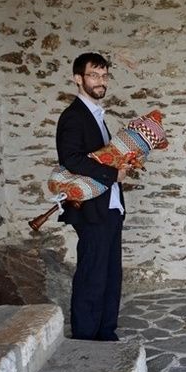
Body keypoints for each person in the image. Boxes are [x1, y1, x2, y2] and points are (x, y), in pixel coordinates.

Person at [56, 52, 129, 341]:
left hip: (109, 207)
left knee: (111, 275)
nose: (100, 81)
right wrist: (114, 175)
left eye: (104, 76)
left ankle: (105, 332)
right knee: (92, 276)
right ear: (78, 79)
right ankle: (85, 338)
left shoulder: (95, 114)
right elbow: (71, 158)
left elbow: (99, 157)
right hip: (90, 209)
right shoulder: (73, 116)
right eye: (93, 75)